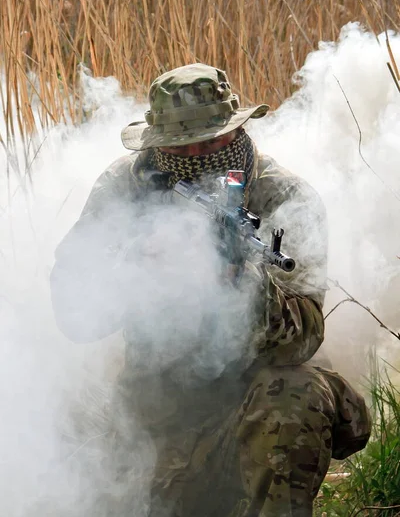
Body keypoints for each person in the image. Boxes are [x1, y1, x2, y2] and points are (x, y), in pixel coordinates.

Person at [51, 63, 371, 517]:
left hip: (249, 412)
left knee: (294, 394)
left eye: (216, 140)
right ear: (161, 144)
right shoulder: (126, 186)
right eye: (188, 145)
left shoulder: (283, 198)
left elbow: (306, 336)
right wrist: (132, 270)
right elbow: (73, 314)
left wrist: (248, 287)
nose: (204, 154)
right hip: (158, 425)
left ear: (236, 128)